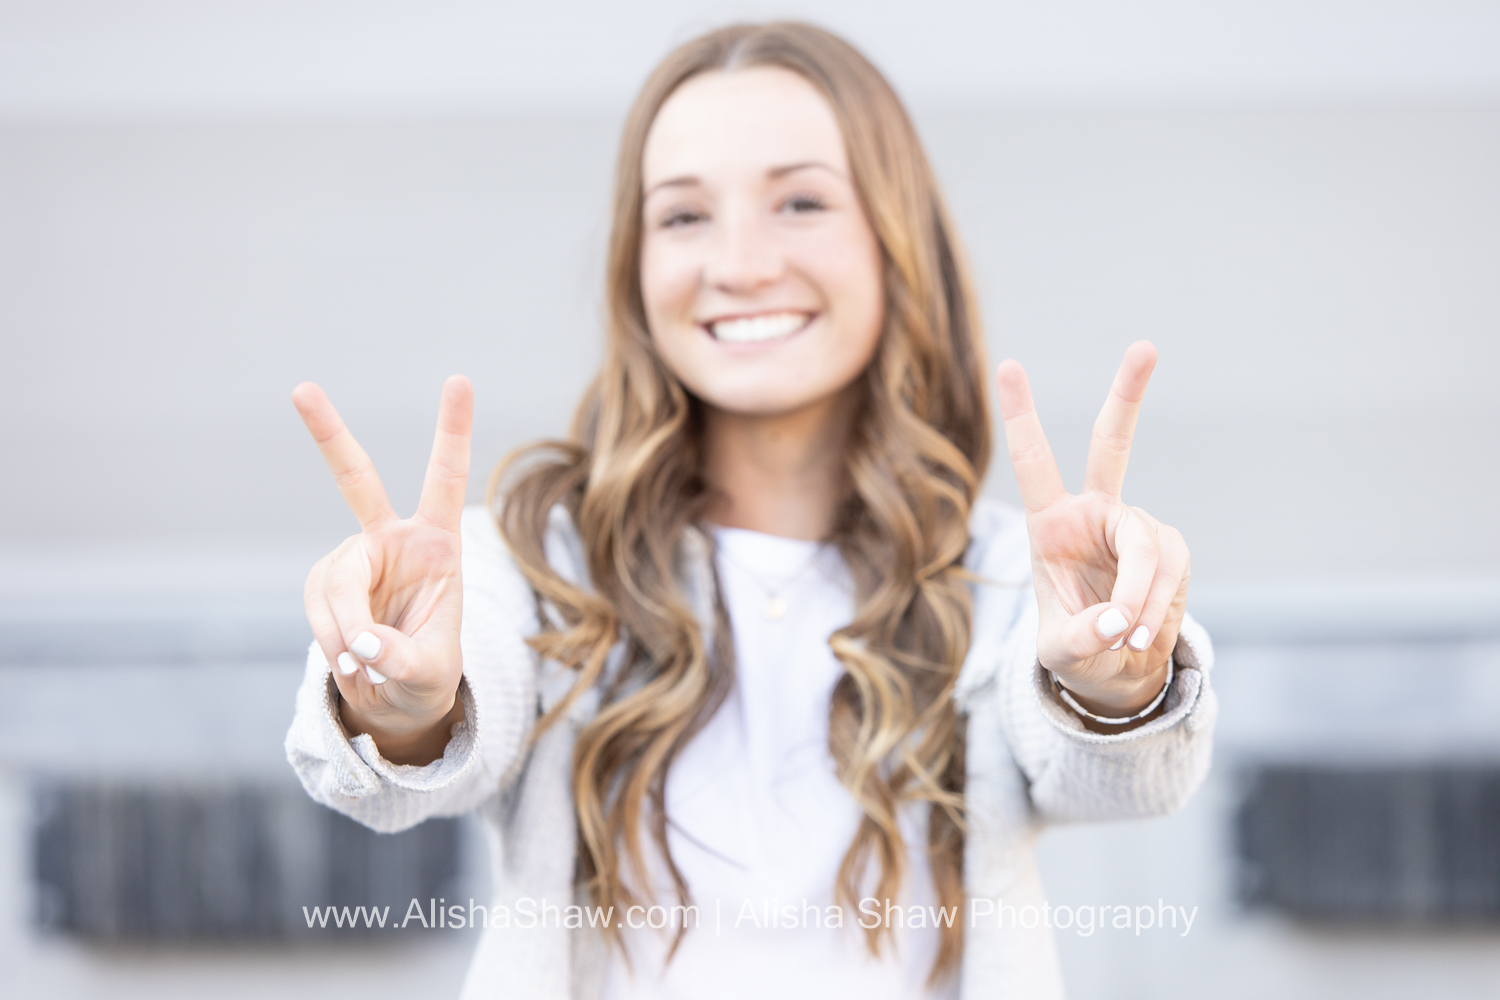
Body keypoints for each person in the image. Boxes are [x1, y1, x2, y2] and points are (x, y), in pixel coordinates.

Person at [285, 21, 1214, 1000]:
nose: (740, 263)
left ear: (900, 241)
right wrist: (403, 707)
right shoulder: (529, 563)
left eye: (801, 201)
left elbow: (1123, 777)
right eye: (683, 217)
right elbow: (419, 749)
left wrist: (1120, 677)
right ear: (636, 271)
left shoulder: (1001, 576)